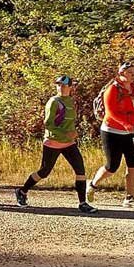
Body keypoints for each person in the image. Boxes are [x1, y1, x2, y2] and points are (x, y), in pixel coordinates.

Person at [15, 75, 98, 214]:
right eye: (59, 85)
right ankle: (22, 191)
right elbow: (48, 124)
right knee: (44, 171)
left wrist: (73, 132)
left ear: (71, 87)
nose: (61, 87)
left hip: (68, 143)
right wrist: (65, 133)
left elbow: (69, 122)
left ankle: (83, 203)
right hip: (53, 142)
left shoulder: (71, 101)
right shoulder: (53, 102)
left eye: (64, 85)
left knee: (80, 170)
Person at [87, 62, 134, 209]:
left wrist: (132, 123)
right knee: (112, 166)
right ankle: (93, 184)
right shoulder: (112, 89)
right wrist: (125, 124)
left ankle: (129, 198)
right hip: (112, 131)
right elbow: (110, 113)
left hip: (132, 132)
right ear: (122, 73)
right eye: (131, 72)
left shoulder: (132, 88)